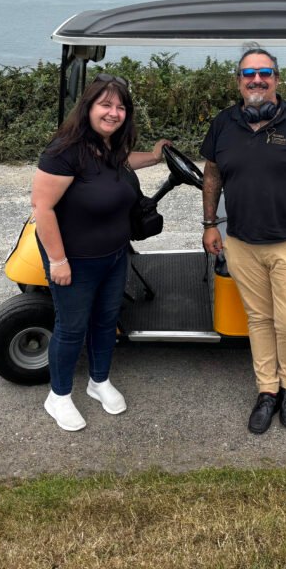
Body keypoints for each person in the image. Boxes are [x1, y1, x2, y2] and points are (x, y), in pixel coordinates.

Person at [200, 47, 286, 434]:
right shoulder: (224, 123)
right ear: (238, 81)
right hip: (242, 243)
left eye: (264, 72)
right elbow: (212, 176)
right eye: (248, 73)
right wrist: (210, 224)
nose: (256, 79)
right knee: (259, 320)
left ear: (277, 78)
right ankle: (267, 391)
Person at [32, 73, 170, 432]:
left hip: (114, 255)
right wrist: (58, 261)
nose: (113, 113)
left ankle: (98, 381)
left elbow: (124, 163)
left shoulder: (110, 147)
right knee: (72, 327)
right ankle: (58, 396)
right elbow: (42, 208)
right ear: (89, 107)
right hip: (75, 259)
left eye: (120, 107)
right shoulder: (64, 151)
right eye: (105, 105)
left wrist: (156, 156)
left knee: (107, 321)